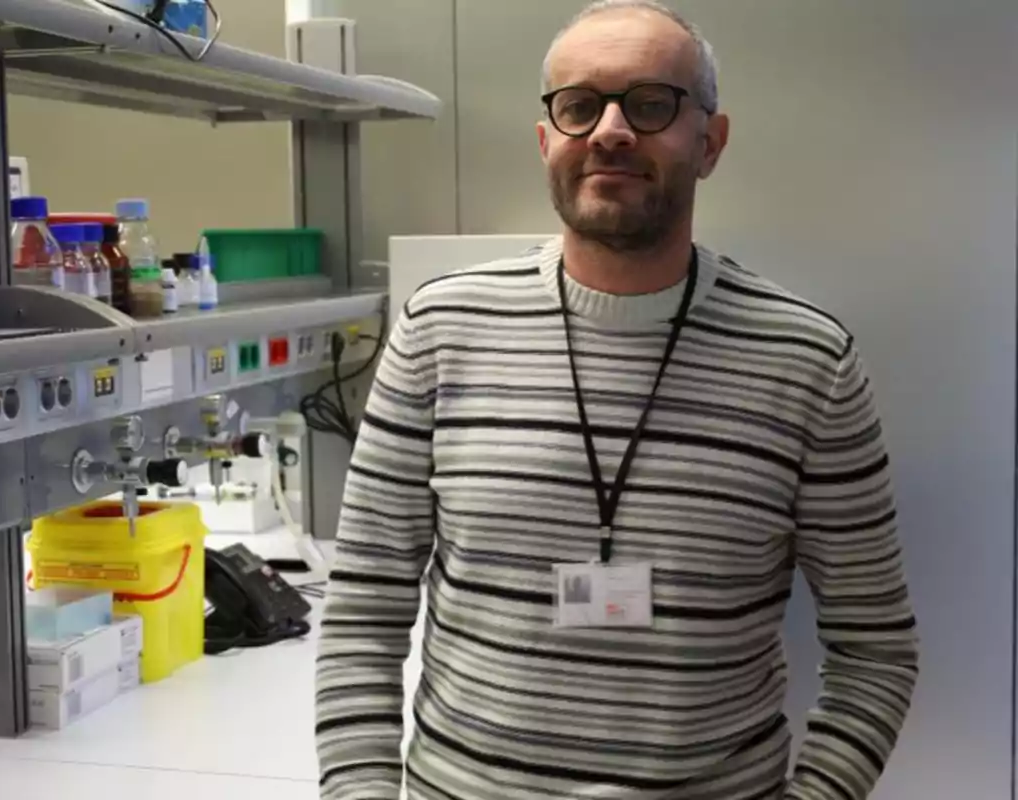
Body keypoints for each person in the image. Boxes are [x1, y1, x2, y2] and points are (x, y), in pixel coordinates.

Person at [314, 1, 919, 798]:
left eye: (651, 103)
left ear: (711, 142)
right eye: (579, 105)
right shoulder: (439, 331)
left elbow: (875, 649)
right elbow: (363, 613)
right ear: (546, 142)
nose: (609, 130)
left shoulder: (809, 363)